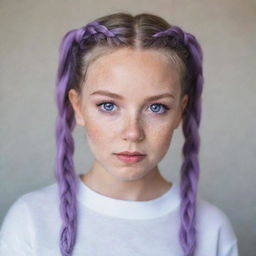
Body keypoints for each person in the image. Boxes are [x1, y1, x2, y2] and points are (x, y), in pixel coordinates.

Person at [0, 12, 238, 256]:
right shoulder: (30, 221)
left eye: (156, 107)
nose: (133, 133)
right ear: (78, 107)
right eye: (108, 105)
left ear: (180, 111)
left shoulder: (212, 229)